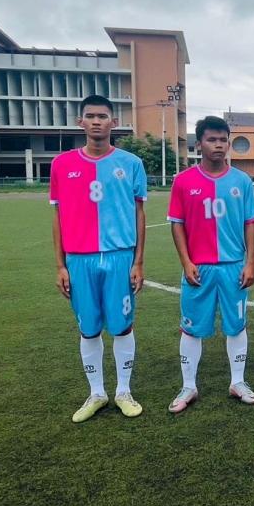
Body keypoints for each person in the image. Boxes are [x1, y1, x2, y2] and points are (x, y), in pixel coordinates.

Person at [50, 94, 147, 422]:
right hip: (80, 259)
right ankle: (96, 393)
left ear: (113, 123)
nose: (96, 121)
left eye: (102, 116)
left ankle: (123, 391)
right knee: (88, 329)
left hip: (120, 257)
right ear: (80, 122)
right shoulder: (61, 164)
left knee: (122, 326)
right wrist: (61, 265)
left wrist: (138, 261)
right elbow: (57, 216)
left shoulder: (131, 163)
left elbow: (139, 213)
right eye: (90, 116)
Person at [166, 116, 254, 413]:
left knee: (236, 325)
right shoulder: (183, 181)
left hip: (233, 267)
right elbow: (177, 224)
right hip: (199, 268)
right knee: (191, 328)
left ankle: (237, 382)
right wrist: (186, 262)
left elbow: (250, 224)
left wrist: (250, 262)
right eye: (212, 139)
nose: (218, 145)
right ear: (199, 144)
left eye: (223, 140)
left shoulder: (241, 181)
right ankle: (189, 386)